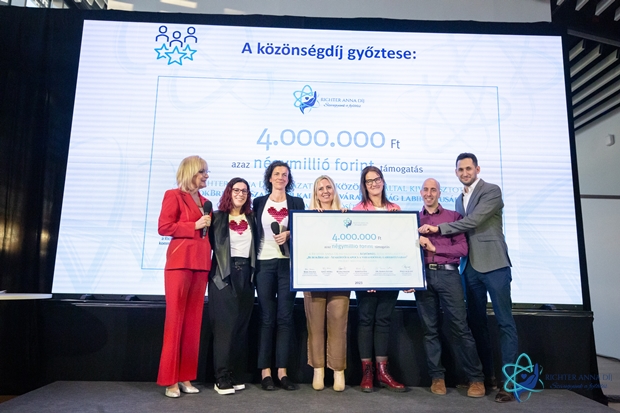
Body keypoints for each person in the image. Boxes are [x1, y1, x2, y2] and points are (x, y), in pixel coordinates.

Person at [418, 153, 518, 403]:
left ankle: (509, 383)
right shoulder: (459, 200)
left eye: (468, 168)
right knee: (476, 324)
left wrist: (438, 230)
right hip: (470, 268)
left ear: (477, 169)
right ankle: (486, 377)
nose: (465, 173)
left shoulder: (491, 191)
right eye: (460, 169)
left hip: (494, 264)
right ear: (456, 172)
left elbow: (474, 221)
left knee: (505, 323)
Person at [415, 178, 485, 398]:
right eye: (425, 190)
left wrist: (434, 248)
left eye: (433, 190)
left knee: (460, 327)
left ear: (439, 193)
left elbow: (463, 249)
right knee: (430, 330)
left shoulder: (453, 217)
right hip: (423, 278)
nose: (429, 193)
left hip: (449, 275)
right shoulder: (413, 220)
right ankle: (437, 377)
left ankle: (476, 379)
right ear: (420, 193)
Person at [156, 155, 212, 398]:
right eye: (202, 171)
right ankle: (170, 380)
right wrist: (193, 226)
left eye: (206, 172)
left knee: (193, 324)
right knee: (175, 322)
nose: (206, 176)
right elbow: (164, 227)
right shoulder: (173, 195)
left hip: (201, 265)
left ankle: (185, 376)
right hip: (180, 264)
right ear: (190, 173)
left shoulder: (206, 202)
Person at [352, 166, 405, 392]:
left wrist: (406, 276)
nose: (374, 183)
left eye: (377, 179)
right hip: (366, 277)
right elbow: (355, 246)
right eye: (369, 181)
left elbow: (402, 244)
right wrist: (367, 276)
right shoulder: (358, 210)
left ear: (383, 181)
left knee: (383, 321)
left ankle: (383, 372)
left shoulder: (396, 209)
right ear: (364, 186)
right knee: (365, 321)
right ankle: (367, 374)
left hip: (390, 275)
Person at [253, 161, 305, 391]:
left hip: (287, 265)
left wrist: (290, 234)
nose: (281, 177)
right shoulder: (258, 202)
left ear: (288, 179)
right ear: (269, 177)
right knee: (267, 318)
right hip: (263, 264)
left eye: (285, 174)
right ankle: (265, 373)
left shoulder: (297, 202)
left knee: (285, 318)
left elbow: (305, 229)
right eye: (277, 173)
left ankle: (282, 372)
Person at [208, 178, 256, 395]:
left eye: (244, 191)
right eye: (236, 190)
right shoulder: (217, 217)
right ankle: (221, 377)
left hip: (247, 275)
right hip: (223, 276)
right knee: (224, 329)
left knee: (240, 328)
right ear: (229, 192)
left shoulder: (252, 218)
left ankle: (235, 374)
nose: (240, 194)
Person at [304, 175, 349, 392]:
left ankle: (338, 370)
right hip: (313, 277)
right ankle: (318, 369)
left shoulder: (346, 216)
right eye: (320, 188)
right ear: (315, 193)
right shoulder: (306, 218)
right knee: (315, 326)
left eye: (328, 187)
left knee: (338, 324)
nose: (325, 191)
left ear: (334, 190)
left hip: (340, 277)